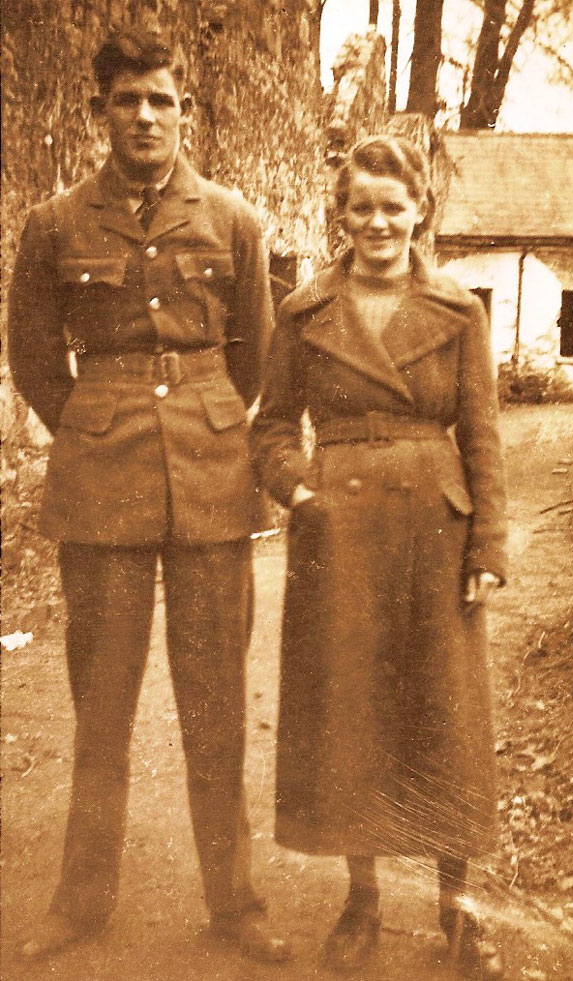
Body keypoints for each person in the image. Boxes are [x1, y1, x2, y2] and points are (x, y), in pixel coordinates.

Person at [8, 27, 291, 964]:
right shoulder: (55, 224)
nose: (145, 117)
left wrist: (208, 417)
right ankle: (80, 903)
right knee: (103, 701)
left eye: (161, 99)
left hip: (212, 479)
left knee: (213, 700)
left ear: (185, 111)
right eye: (127, 100)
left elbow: (255, 351)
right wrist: (92, 420)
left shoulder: (234, 220)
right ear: (101, 112)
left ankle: (236, 903)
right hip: (101, 480)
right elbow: (35, 356)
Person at [251, 134, 508, 978]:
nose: (377, 223)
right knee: (349, 710)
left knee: (446, 709)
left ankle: (455, 903)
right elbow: (273, 428)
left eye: (393, 207)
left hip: (436, 529)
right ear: (342, 213)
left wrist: (488, 543)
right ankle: (361, 901)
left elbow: (481, 436)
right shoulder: (304, 312)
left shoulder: (459, 311)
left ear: (420, 212)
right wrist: (301, 494)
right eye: (361, 206)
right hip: (343, 535)